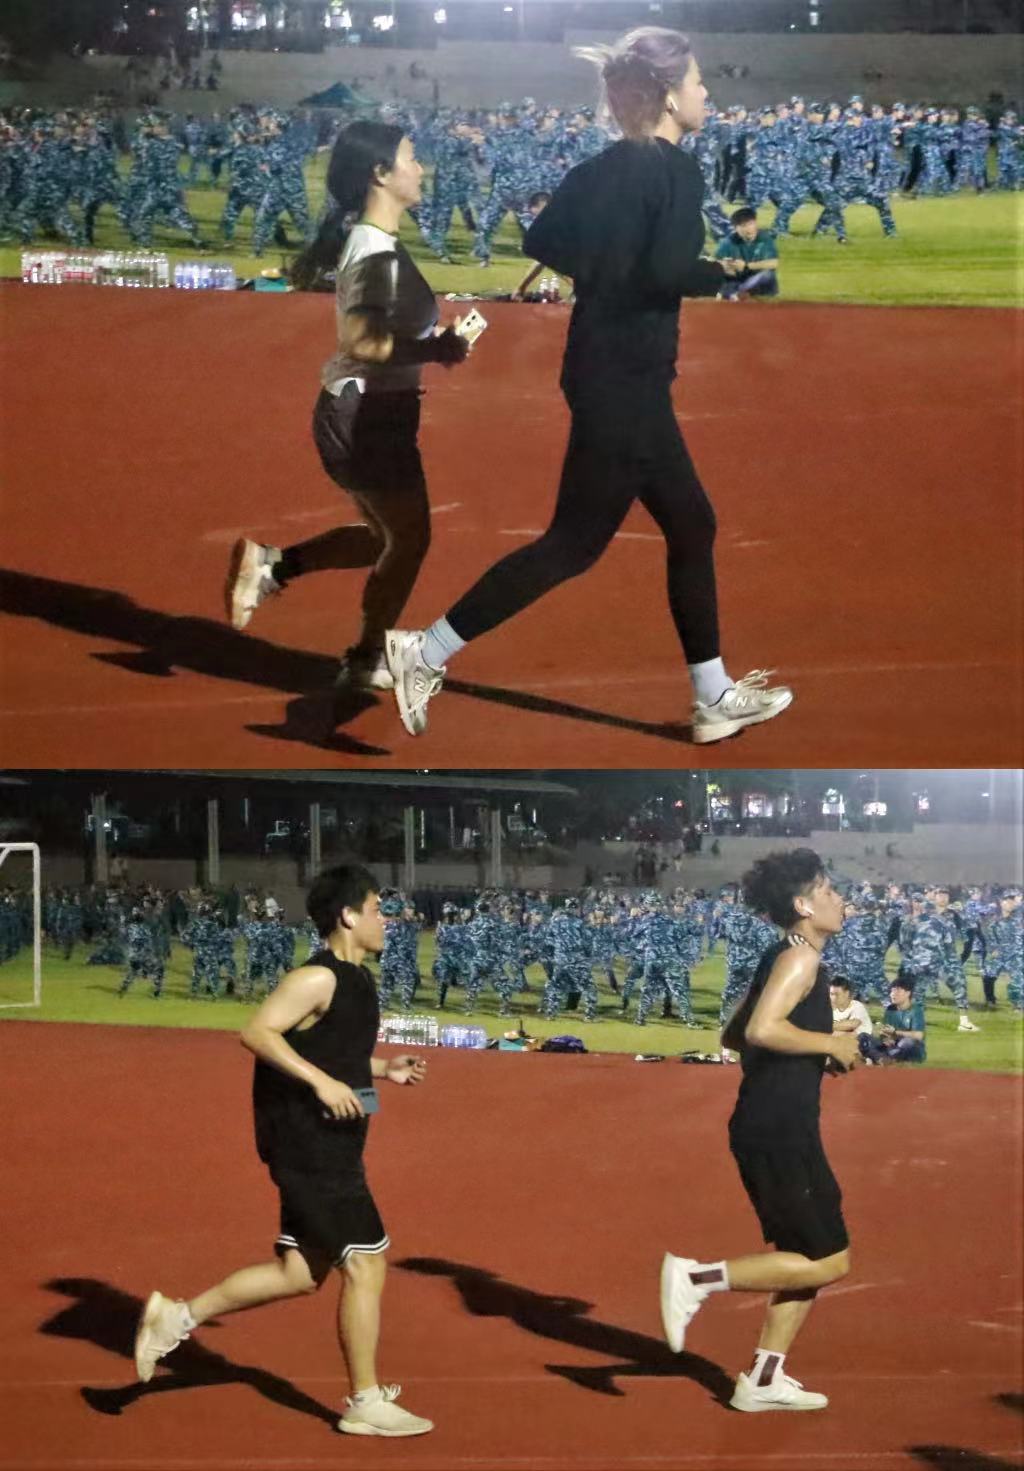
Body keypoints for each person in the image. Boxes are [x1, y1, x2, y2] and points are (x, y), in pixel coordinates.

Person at [382, 28, 793, 745]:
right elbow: (668, 271)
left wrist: (607, 266)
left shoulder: (602, 167)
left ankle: (713, 695)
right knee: (573, 544)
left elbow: (542, 240)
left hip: (603, 369)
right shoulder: (676, 171)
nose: (706, 94)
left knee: (690, 524)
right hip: (627, 377)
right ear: (669, 97)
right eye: (698, 83)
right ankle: (425, 650)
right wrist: (731, 275)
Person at [132, 864, 434, 1438]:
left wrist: (381, 1070)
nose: (386, 919)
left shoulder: (358, 980)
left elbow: (331, 1053)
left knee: (299, 1272)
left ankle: (176, 1317)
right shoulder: (315, 977)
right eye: (377, 909)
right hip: (308, 1146)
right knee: (367, 1263)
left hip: (335, 1143)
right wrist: (322, 1084)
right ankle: (364, 1401)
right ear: (348, 916)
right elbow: (258, 1032)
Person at [225, 121, 470, 694]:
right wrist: (435, 350)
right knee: (409, 540)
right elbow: (362, 342)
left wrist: (433, 344)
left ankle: (273, 566)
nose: (421, 168)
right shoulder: (374, 251)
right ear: (380, 174)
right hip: (366, 417)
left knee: (387, 536)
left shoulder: (378, 244)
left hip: (372, 413)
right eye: (411, 158)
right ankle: (364, 657)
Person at [660, 849, 861, 1412]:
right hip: (778, 1128)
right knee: (830, 1259)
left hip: (776, 1122)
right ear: (804, 905)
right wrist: (829, 1042)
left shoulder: (783, 954)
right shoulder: (800, 960)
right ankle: (695, 1279)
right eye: (828, 891)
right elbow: (761, 1030)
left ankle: (764, 1378)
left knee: (807, 1252)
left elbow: (733, 1035)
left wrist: (810, 1050)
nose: (840, 900)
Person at [715, 206, 780, 299]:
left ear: (756, 223)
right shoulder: (729, 241)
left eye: (750, 224)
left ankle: (736, 291)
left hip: (757, 280)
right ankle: (734, 292)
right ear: (736, 228)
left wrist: (746, 266)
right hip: (737, 279)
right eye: (743, 226)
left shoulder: (765, 238)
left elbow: (773, 263)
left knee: (767, 275)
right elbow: (717, 263)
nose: (748, 229)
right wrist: (727, 266)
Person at [862, 977, 926, 1063]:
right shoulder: (890, 1009)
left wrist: (895, 1032)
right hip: (892, 1046)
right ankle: (881, 1058)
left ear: (908, 993)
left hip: (910, 1048)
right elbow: (885, 1033)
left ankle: (878, 1057)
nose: (892, 994)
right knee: (863, 1037)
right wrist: (885, 1039)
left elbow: (918, 1035)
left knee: (907, 1042)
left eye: (897, 991)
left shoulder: (916, 1011)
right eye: (892, 991)